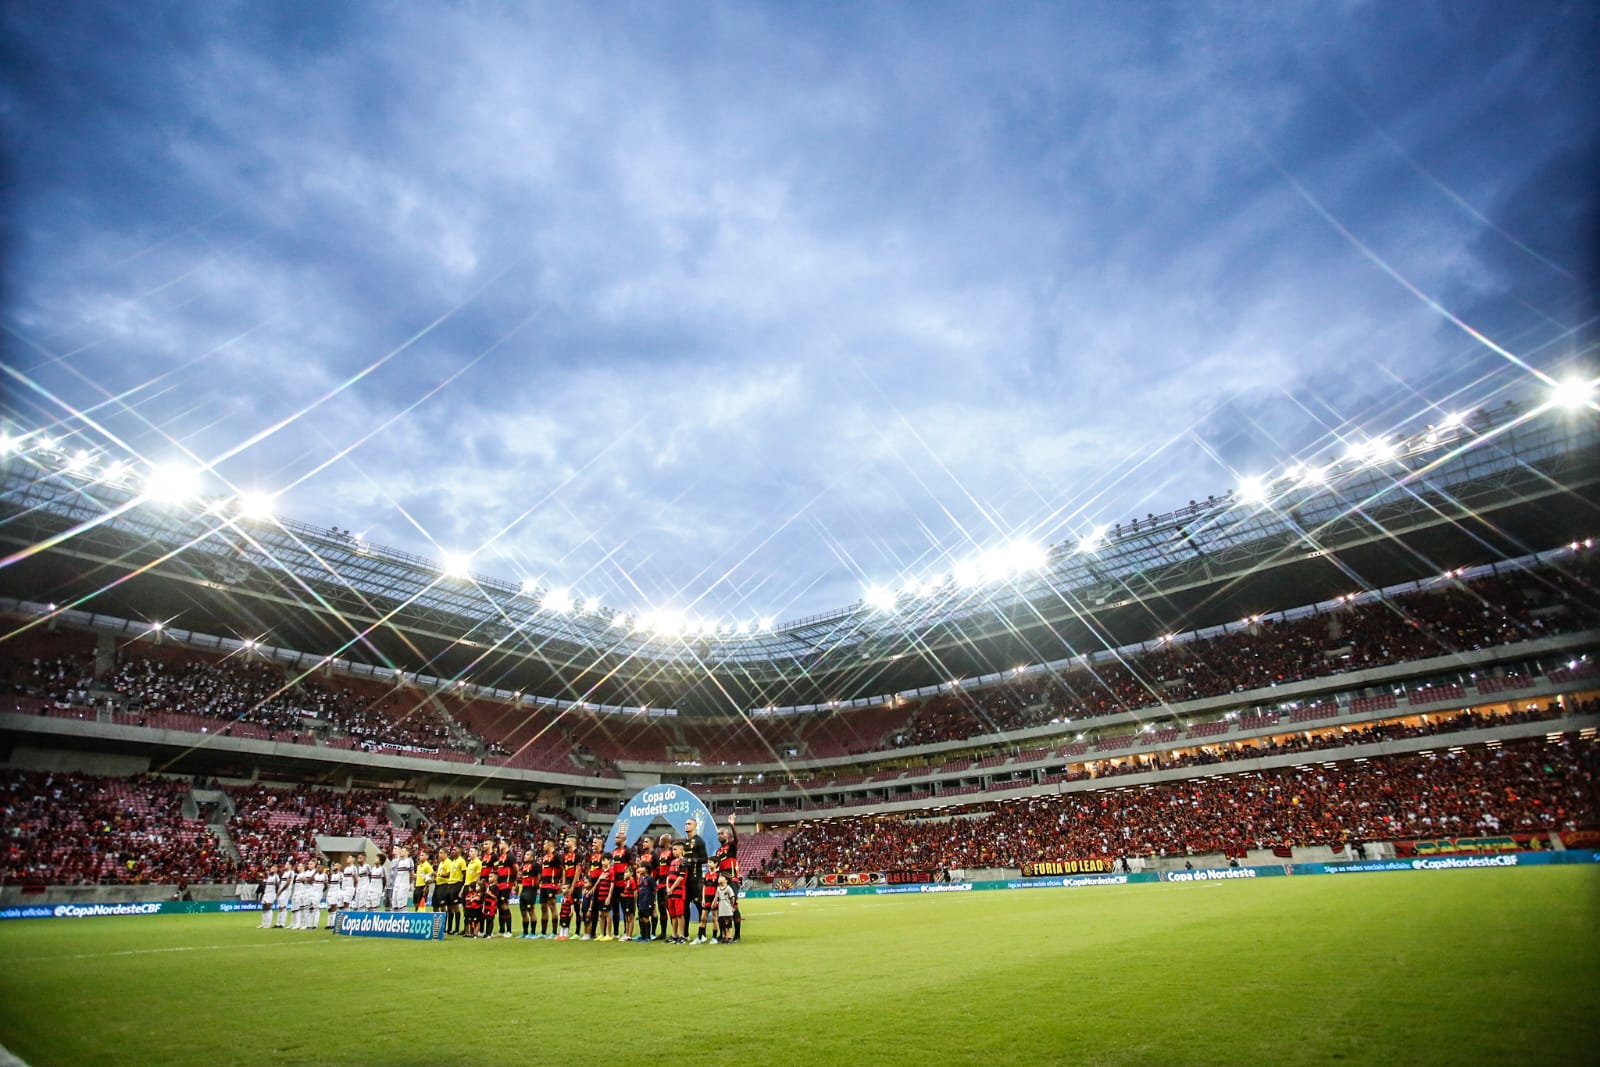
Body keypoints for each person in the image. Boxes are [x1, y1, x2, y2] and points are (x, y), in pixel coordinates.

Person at [714, 813, 742, 943]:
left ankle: (737, 935)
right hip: (721, 880)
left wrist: (732, 825)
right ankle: (723, 934)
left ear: (727, 835)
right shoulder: (718, 852)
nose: (720, 835)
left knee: (733, 906)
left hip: (732, 880)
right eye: (718, 833)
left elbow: (736, 839)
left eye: (722, 833)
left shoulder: (731, 846)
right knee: (721, 907)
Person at [680, 818, 709, 937]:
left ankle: (702, 934)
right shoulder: (683, 842)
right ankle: (685, 934)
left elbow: (705, 859)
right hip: (684, 879)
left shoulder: (699, 841)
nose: (686, 825)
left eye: (689, 824)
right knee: (685, 907)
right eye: (685, 823)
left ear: (695, 826)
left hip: (695, 878)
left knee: (699, 906)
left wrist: (692, 860)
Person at [537, 839, 560, 939]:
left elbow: (562, 869)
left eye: (545, 844)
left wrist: (560, 882)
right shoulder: (545, 857)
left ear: (550, 844)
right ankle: (543, 932)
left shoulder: (556, 855)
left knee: (552, 906)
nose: (543, 845)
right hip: (544, 885)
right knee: (543, 907)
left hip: (552, 884)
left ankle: (554, 932)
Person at [666, 842, 688, 944]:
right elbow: (668, 876)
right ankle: (674, 935)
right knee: (673, 915)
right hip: (670, 892)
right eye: (673, 849)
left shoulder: (683, 862)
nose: (673, 851)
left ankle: (682, 935)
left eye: (675, 849)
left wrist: (672, 888)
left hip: (678, 891)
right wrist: (667, 887)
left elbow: (680, 877)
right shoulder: (672, 862)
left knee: (680, 914)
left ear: (681, 850)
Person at [517, 848, 537, 938]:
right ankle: (525, 932)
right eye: (525, 854)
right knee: (523, 912)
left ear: (532, 857)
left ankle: (532, 932)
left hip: (531, 890)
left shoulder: (535, 865)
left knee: (531, 911)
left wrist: (536, 884)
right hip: (524, 890)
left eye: (527, 854)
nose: (525, 856)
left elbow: (540, 875)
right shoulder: (524, 866)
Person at [633, 862, 655, 942]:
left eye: (641, 867)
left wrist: (653, 902)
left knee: (646, 918)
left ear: (646, 869)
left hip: (647, 902)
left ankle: (647, 937)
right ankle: (642, 935)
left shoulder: (650, 878)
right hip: (641, 901)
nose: (639, 869)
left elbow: (654, 890)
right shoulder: (642, 878)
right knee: (641, 918)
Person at [714, 873, 735, 944]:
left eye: (721, 877)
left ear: (726, 880)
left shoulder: (728, 888)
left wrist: (731, 905)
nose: (719, 878)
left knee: (728, 924)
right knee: (722, 924)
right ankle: (724, 937)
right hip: (721, 910)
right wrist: (713, 903)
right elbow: (716, 897)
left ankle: (730, 937)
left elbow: (732, 898)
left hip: (727, 910)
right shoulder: (718, 888)